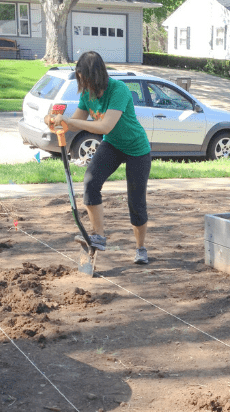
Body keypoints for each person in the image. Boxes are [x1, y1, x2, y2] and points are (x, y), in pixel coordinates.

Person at [45, 51, 151, 264]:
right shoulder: (87, 95)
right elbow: (73, 122)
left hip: (136, 148)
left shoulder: (119, 90)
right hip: (113, 144)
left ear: (96, 75)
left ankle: (140, 248)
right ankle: (99, 235)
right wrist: (54, 121)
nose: (83, 83)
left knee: (136, 201)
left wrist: (69, 122)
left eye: (85, 78)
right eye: (80, 78)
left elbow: (105, 126)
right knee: (91, 182)